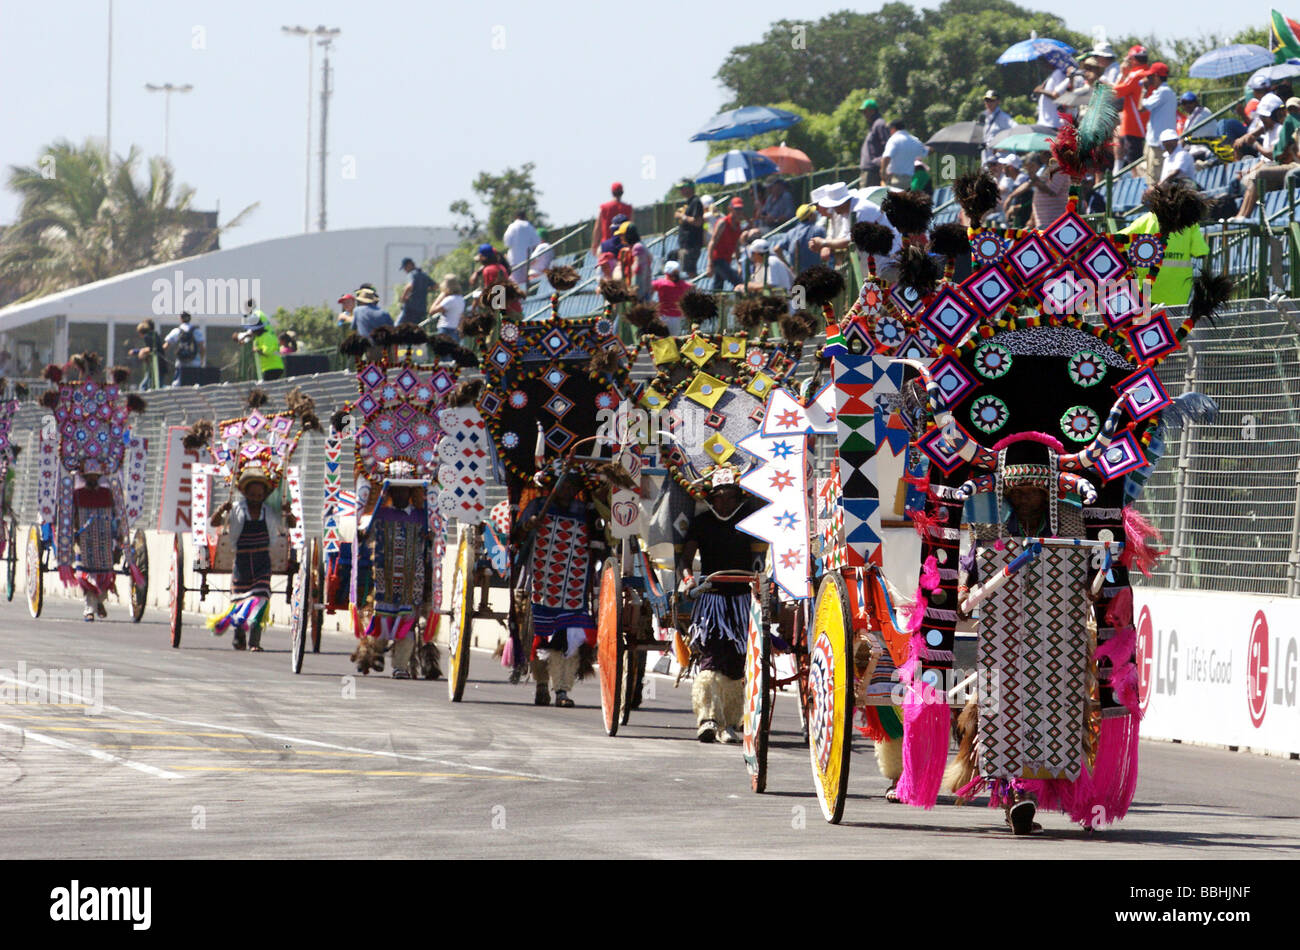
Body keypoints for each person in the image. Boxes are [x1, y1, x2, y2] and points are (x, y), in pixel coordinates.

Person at [677, 470, 766, 742]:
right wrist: (689, 580)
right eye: (719, 497)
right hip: (712, 600)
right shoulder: (702, 522)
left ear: (739, 497)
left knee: (737, 663)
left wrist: (761, 582)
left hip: (742, 600)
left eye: (730, 497)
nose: (725, 502)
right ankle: (708, 719)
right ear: (712, 498)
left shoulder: (750, 522)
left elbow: (760, 559)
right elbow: (685, 559)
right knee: (711, 657)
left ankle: (728, 723)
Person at [515, 472, 604, 708]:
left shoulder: (585, 511)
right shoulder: (538, 505)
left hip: (574, 587)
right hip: (542, 584)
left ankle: (563, 689)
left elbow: (598, 543)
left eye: (570, 485)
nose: (566, 490)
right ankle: (542, 683)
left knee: (568, 638)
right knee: (540, 635)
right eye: (561, 485)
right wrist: (529, 524)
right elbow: (517, 535)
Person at [209, 466, 294, 651]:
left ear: (264, 495)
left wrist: (288, 512)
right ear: (246, 493)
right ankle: (239, 634)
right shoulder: (237, 510)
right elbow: (214, 522)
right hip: (242, 563)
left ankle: (255, 642)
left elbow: (291, 524)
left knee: (261, 598)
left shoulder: (269, 512)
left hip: (263, 561)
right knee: (240, 601)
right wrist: (221, 510)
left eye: (259, 495)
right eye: (252, 495)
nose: (256, 498)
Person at [356, 472, 432, 679]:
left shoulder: (421, 517)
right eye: (396, 490)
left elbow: (432, 543)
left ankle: (400, 666)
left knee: (407, 622)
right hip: (384, 581)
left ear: (410, 492)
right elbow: (364, 536)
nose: (399, 494)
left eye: (404, 490)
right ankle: (375, 653)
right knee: (382, 619)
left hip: (411, 581)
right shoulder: (379, 515)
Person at [1120, 178, 1210, 307]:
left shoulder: (1146, 220)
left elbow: (1117, 240)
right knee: (1170, 327)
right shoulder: (1190, 225)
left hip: (1147, 292)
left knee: (1145, 327)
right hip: (1178, 294)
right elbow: (1201, 252)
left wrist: (1129, 264)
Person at [72, 469, 119, 621]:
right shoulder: (77, 495)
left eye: (95, 475)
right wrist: (73, 533)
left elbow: (115, 516)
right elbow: (72, 517)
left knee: (104, 574)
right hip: (84, 541)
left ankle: (99, 601)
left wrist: (118, 537)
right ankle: (89, 608)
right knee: (84, 575)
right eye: (89, 475)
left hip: (104, 541)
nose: (92, 477)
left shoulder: (107, 494)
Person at [1112, 46, 1151, 171]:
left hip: (1134, 125)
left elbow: (1115, 92)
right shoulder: (1149, 72)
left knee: (1134, 164)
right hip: (1143, 123)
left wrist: (1123, 74)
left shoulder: (1136, 75)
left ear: (1133, 60)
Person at [1139, 63, 1176, 184]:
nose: (1148, 80)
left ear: (1156, 76)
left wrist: (1144, 89)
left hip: (1158, 144)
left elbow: (1141, 107)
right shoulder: (1163, 91)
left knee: (1155, 182)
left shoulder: (1163, 91)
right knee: (1151, 179)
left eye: (1150, 77)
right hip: (1154, 142)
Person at [234, 301, 284, 381]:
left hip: (271, 362)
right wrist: (245, 339)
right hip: (268, 361)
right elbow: (254, 331)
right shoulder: (259, 316)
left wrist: (244, 338)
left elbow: (253, 330)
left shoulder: (257, 315)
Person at [704, 196, 745, 290]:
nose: (739, 211)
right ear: (730, 209)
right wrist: (709, 264)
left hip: (727, 260)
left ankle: (714, 302)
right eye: (736, 209)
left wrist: (739, 265)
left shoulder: (738, 226)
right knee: (738, 282)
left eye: (740, 209)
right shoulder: (723, 223)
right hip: (718, 260)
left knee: (718, 287)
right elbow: (712, 243)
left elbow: (736, 247)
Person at [808, 181, 854, 262]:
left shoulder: (842, 212)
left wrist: (824, 243)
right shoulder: (831, 218)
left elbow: (845, 239)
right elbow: (831, 237)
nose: (817, 210)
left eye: (817, 206)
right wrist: (824, 245)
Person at [777, 203, 826, 274]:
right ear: (810, 217)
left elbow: (777, 249)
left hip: (797, 275)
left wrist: (789, 266)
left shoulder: (791, 232)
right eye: (814, 213)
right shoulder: (819, 230)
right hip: (816, 274)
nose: (816, 214)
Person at [880, 120, 928, 190]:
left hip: (895, 179)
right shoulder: (914, 140)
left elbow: (887, 157)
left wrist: (883, 173)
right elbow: (925, 152)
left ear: (893, 128)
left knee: (893, 200)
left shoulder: (894, 139)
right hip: (910, 180)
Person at [673, 179, 706, 277]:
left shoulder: (696, 202)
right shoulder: (688, 203)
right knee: (672, 256)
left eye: (683, 188)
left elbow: (698, 222)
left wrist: (682, 216)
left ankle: (693, 291)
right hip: (685, 244)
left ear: (690, 188)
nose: (681, 191)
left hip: (692, 244)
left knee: (691, 273)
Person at [591, 182, 634, 256]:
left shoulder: (604, 208)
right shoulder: (628, 208)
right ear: (622, 192)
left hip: (607, 247)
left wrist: (594, 245)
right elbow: (631, 229)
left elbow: (597, 228)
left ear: (612, 192)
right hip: (624, 246)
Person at [162, 311, 204, 386]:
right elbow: (202, 347)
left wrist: (160, 354)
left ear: (181, 319)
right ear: (190, 319)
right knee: (195, 384)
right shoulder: (197, 331)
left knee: (178, 383)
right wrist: (202, 360)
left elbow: (166, 345)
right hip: (195, 361)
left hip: (181, 361)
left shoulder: (176, 331)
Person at [502, 211, 541, 289]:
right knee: (525, 282)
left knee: (515, 282)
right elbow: (536, 242)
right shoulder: (529, 226)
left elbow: (507, 243)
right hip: (526, 259)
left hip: (514, 260)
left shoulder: (512, 226)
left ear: (516, 217)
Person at [617, 222, 654, 301]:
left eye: (622, 235)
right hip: (643, 291)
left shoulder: (638, 248)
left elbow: (638, 269)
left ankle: (607, 313)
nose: (620, 237)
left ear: (628, 235)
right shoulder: (638, 246)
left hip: (640, 292)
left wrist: (634, 289)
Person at [127, 320, 169, 390]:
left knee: (146, 386)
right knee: (154, 385)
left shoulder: (147, 337)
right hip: (159, 365)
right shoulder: (154, 334)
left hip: (156, 366)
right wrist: (138, 351)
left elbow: (152, 348)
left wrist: (140, 352)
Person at [1032, 55, 1071, 130]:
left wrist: (1041, 91)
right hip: (1045, 121)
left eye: (1044, 63)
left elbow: (1057, 96)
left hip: (1053, 122)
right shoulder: (1052, 75)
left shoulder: (1058, 73)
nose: (1043, 66)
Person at [858, 98, 890, 187]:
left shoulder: (880, 124)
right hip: (868, 171)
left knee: (867, 198)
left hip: (873, 172)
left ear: (872, 111)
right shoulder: (874, 125)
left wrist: (880, 163)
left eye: (865, 111)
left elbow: (888, 146)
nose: (864, 114)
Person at [652, 260, 690, 335]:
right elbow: (692, 287)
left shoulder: (661, 283)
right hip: (677, 318)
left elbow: (649, 287)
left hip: (663, 316)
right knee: (674, 339)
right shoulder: (683, 285)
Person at [980, 90, 1015, 166]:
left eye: (991, 100)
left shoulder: (1005, 118)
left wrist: (1002, 148)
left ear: (998, 101)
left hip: (1000, 161)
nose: (988, 102)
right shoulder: (984, 117)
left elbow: (1017, 132)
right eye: (987, 100)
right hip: (986, 159)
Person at [398, 257, 435, 327]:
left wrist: (403, 298)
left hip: (410, 308)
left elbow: (409, 286)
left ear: (409, 265)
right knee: (416, 328)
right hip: (422, 309)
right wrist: (424, 290)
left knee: (399, 326)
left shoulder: (411, 274)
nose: (405, 270)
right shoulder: (424, 275)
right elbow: (435, 286)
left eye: (405, 268)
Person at [428, 275, 465, 343]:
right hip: (455, 330)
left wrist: (440, 297)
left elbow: (432, 311)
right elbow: (461, 316)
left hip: (445, 329)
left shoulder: (449, 300)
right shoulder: (461, 299)